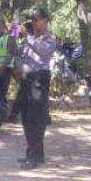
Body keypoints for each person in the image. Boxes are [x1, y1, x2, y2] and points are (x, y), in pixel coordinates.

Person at [16, 9, 56, 170]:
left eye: (36, 19)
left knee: (36, 118)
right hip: (27, 79)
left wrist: (28, 37)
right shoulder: (29, 38)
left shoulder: (50, 38)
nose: (33, 22)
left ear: (45, 20)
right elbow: (20, 53)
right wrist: (13, 37)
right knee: (26, 117)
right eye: (32, 20)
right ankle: (36, 153)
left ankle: (33, 157)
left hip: (39, 79)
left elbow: (43, 51)